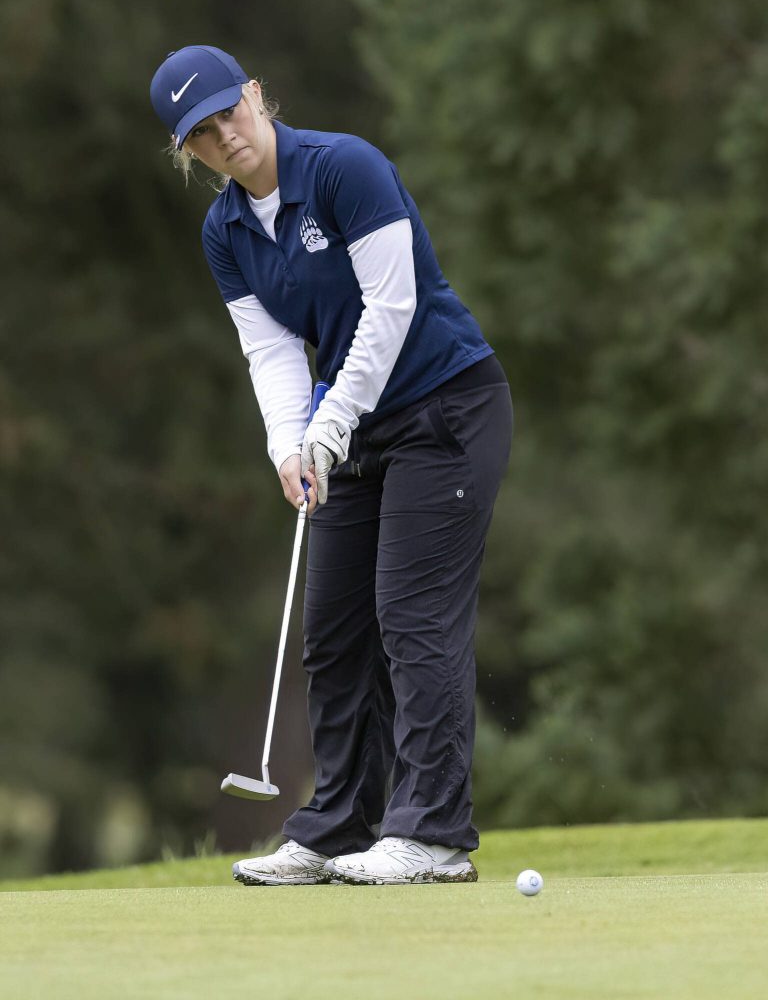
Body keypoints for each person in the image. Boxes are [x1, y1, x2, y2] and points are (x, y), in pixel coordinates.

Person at [150, 45, 513, 886]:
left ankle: (431, 832)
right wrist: (289, 444)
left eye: (227, 114)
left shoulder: (345, 168)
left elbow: (392, 307)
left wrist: (332, 419)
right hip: (351, 429)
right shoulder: (226, 232)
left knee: (412, 617)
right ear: (187, 151)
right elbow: (271, 351)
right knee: (333, 629)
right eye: (200, 135)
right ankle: (340, 826)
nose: (225, 139)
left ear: (253, 95)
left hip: (446, 407)